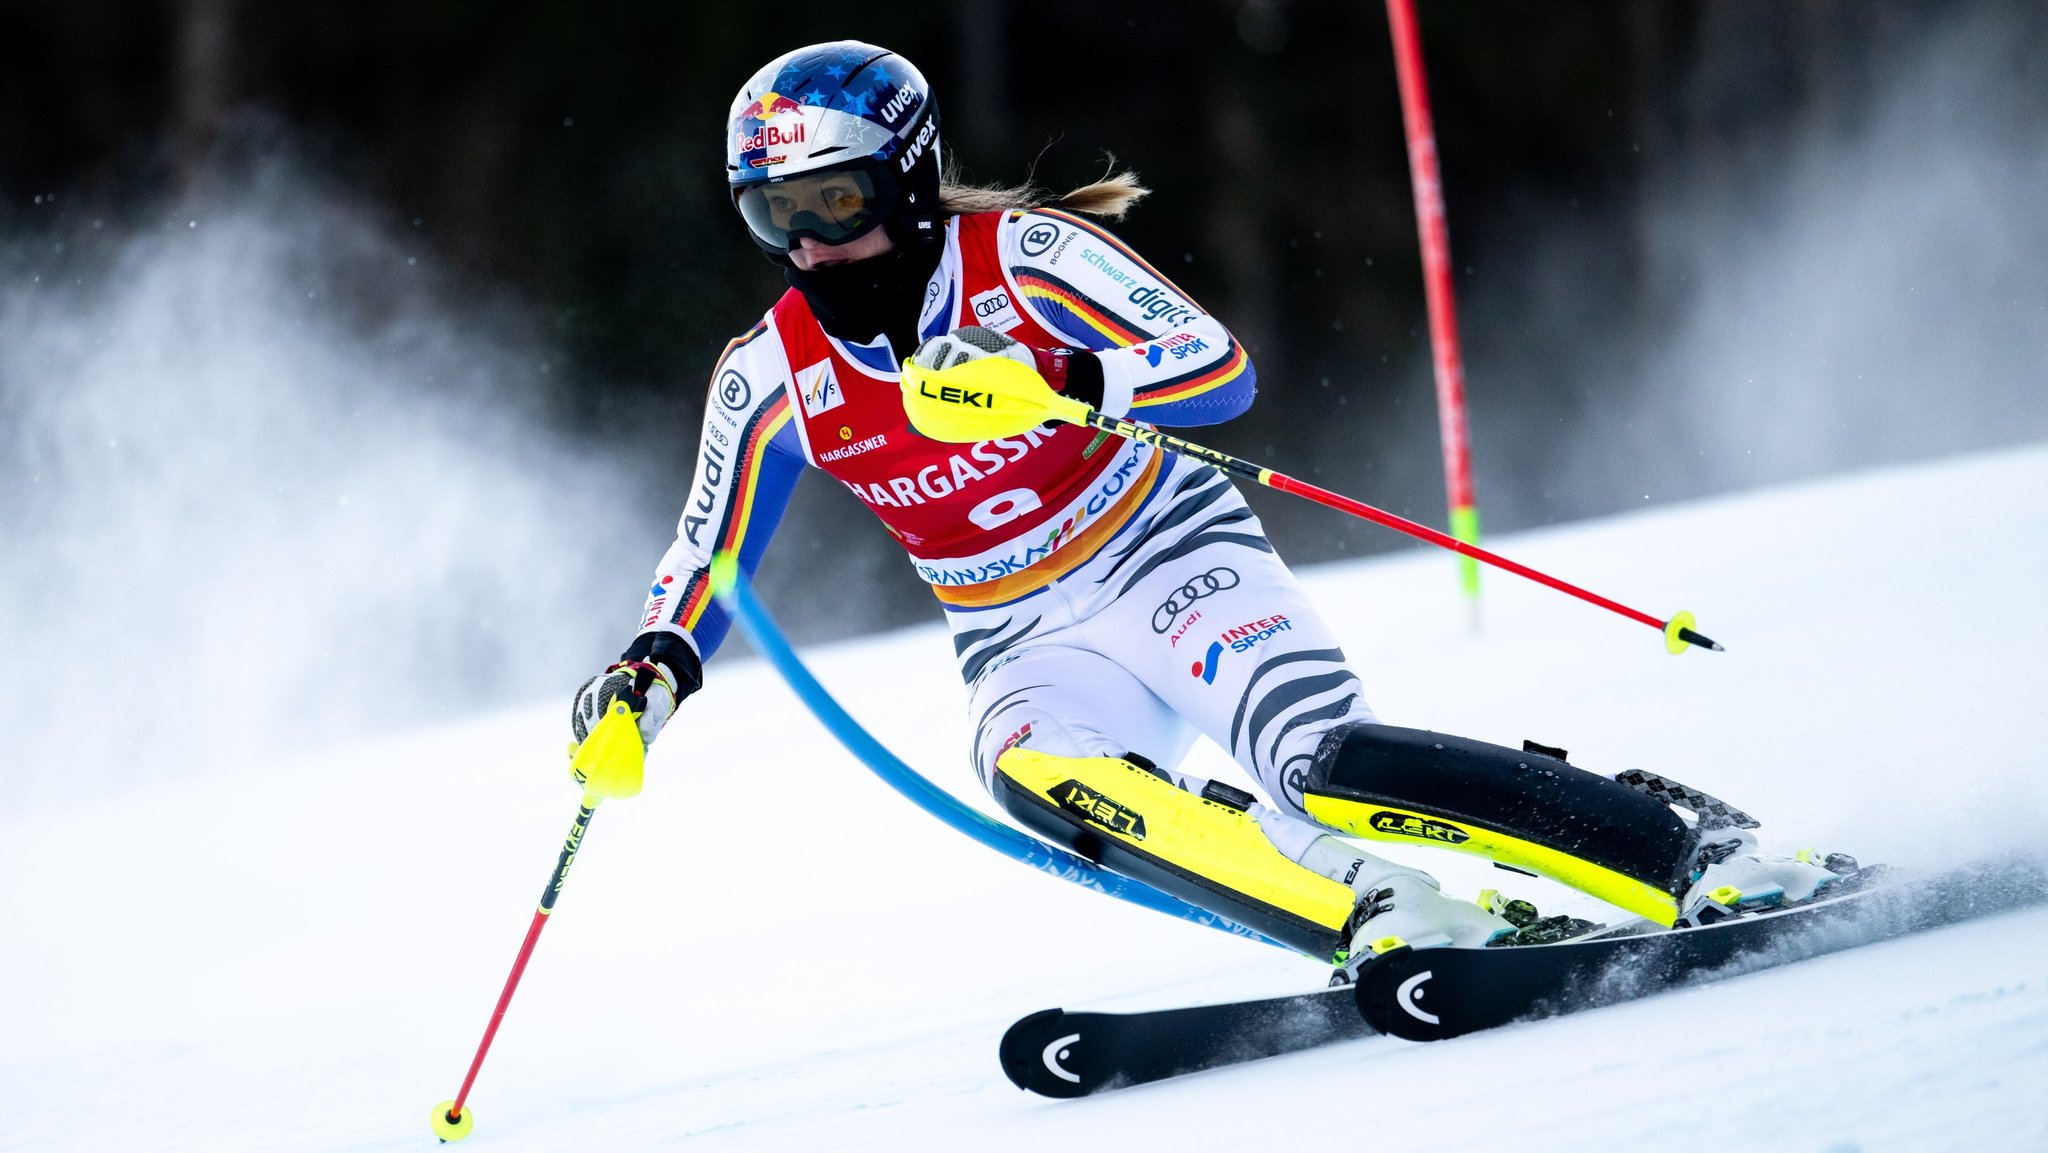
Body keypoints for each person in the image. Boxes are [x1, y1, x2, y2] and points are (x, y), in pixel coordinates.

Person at [570, 40, 1849, 974]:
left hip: (1165, 556)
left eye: (830, 204)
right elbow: (706, 550)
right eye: (770, 215)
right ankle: (1377, 912)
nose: (804, 243)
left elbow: (1216, 370)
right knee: (1039, 775)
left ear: (904, 185)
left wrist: (1051, 385)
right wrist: (645, 676)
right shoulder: (766, 373)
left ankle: (1678, 851)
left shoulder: (1023, 257)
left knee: (1319, 768)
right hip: (1017, 636)